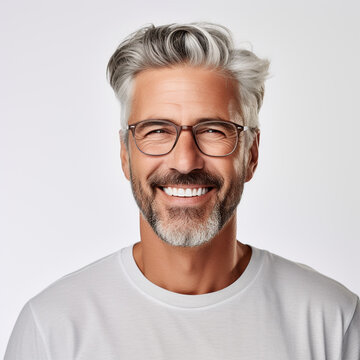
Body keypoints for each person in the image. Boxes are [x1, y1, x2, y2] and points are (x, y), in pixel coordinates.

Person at [4, 22, 360, 360]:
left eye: (213, 130)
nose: (185, 161)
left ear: (250, 155)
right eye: (157, 130)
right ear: (126, 155)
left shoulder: (333, 320)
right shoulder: (53, 327)